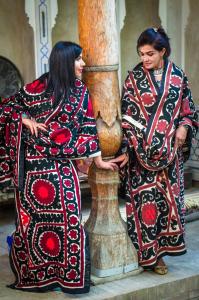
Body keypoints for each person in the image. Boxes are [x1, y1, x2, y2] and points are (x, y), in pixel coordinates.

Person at [0, 41, 117, 293]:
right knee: (34, 224)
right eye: (78, 59)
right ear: (65, 62)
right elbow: (7, 108)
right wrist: (24, 118)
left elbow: (87, 128)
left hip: (62, 171)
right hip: (33, 171)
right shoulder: (37, 87)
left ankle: (67, 277)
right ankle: (40, 276)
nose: (83, 64)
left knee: (69, 220)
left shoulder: (80, 92)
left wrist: (98, 161)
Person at [111, 27, 198, 275]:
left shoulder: (178, 77)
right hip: (141, 156)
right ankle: (149, 257)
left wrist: (183, 127)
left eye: (150, 53)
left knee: (167, 205)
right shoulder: (133, 80)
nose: (145, 59)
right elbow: (126, 116)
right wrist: (133, 144)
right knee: (144, 207)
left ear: (163, 51)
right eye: (141, 54)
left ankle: (163, 254)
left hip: (171, 156)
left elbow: (188, 111)